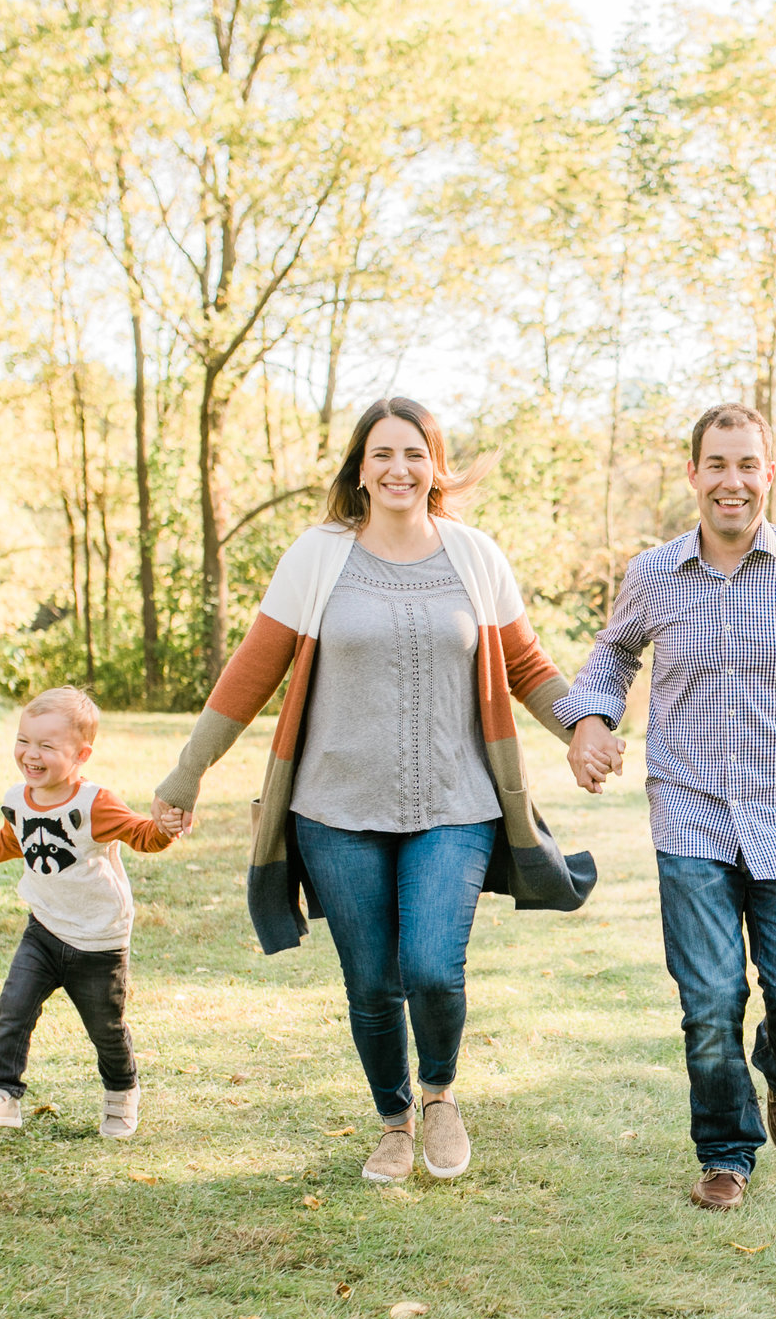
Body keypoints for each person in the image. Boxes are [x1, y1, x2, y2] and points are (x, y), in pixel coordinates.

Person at [149, 396, 591, 1185]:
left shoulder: (474, 556)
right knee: (372, 980)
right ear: (360, 467)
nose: (398, 469)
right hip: (335, 809)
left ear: (435, 466)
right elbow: (252, 672)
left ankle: (440, 1095)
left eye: (414, 453)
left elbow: (525, 665)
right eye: (382, 454)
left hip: (456, 805)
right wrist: (188, 771)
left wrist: (582, 726)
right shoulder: (318, 556)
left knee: (430, 966)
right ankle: (392, 1120)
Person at [559, 403, 776, 1211]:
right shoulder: (654, 574)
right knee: (709, 996)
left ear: (769, 473)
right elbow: (612, 654)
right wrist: (588, 723)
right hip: (689, 809)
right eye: (716, 464)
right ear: (693, 475)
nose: (732, 480)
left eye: (747, 464)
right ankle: (725, 1151)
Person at [0, 687, 175, 1139]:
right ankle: (2, 1095)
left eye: (46, 746)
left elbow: (143, 836)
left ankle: (121, 1093)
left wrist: (165, 828)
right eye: (24, 740)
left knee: (106, 1029)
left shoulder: (94, 803)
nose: (30, 754)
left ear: (81, 755)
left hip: (98, 941)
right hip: (43, 929)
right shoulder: (19, 798)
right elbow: (8, 841)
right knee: (13, 1008)